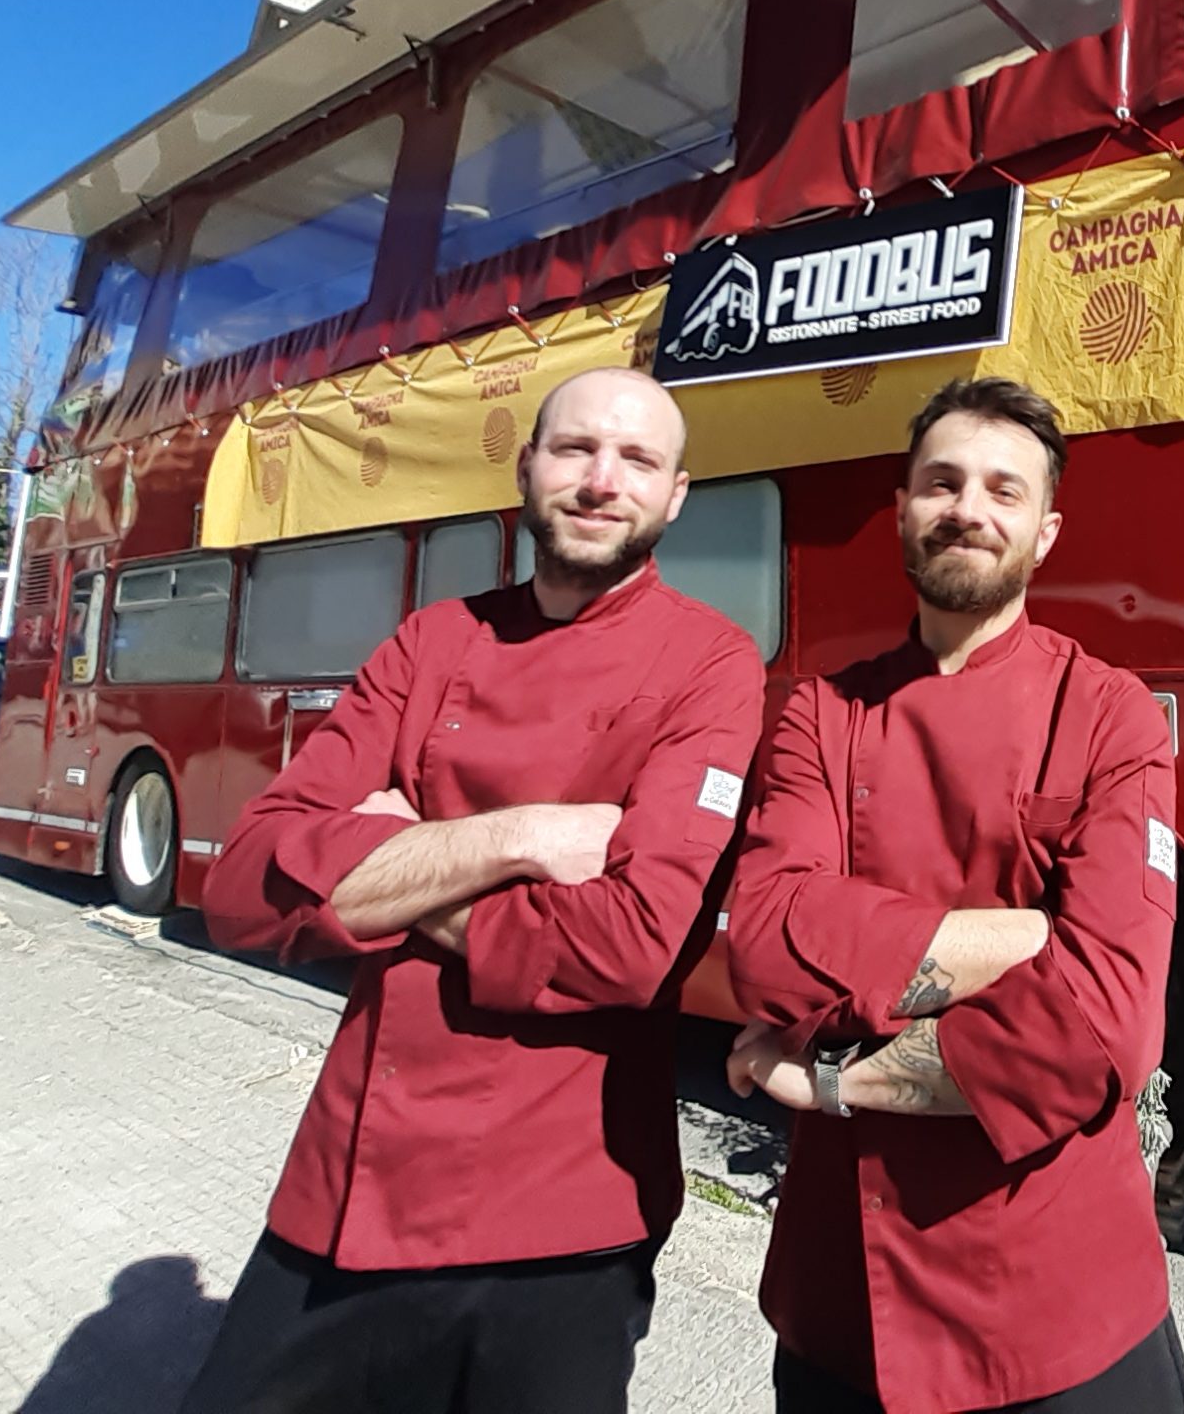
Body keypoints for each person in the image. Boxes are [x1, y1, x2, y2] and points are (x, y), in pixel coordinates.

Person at [181, 367, 766, 1414]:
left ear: (674, 496)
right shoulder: (431, 642)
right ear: (526, 467)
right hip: (353, 1185)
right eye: (575, 450)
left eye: (637, 461)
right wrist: (521, 837)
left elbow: (628, 946)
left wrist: (389, 864)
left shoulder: (710, 664)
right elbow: (242, 885)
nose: (602, 481)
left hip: (566, 1213)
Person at [723, 377, 1184, 1414]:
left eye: (1003, 490)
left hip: (1061, 1314)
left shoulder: (1110, 716)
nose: (968, 508)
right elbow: (762, 943)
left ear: (1045, 532)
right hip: (846, 1306)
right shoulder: (820, 714)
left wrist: (837, 1080)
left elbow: (1110, 1031)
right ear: (901, 509)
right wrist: (1030, 938)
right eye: (942, 482)